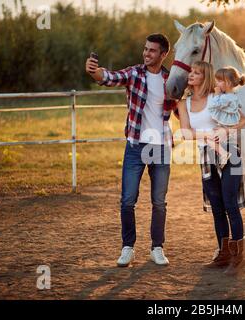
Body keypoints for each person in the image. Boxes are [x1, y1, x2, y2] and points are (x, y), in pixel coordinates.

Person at [85, 33, 177, 267]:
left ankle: (157, 248)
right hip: (136, 145)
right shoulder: (135, 73)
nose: (146, 54)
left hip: (161, 148)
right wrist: (93, 71)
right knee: (127, 200)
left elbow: (184, 107)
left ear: (163, 54)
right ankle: (128, 248)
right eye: (145, 49)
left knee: (159, 201)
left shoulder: (170, 79)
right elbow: (109, 77)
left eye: (152, 51)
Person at [175, 61, 245, 275]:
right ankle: (224, 254)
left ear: (205, 76)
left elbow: (243, 120)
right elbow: (186, 133)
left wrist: (226, 131)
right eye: (190, 71)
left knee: (230, 204)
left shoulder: (217, 98)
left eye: (197, 72)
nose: (191, 75)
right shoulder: (183, 104)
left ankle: (239, 258)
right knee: (217, 207)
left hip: (229, 153)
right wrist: (206, 135)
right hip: (207, 156)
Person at [207, 66, 245, 168]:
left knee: (210, 139)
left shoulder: (225, 98)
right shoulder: (233, 96)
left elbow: (214, 105)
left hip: (225, 125)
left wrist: (216, 94)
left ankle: (224, 154)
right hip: (230, 124)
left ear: (228, 83)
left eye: (219, 81)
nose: (217, 83)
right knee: (221, 141)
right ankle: (224, 155)